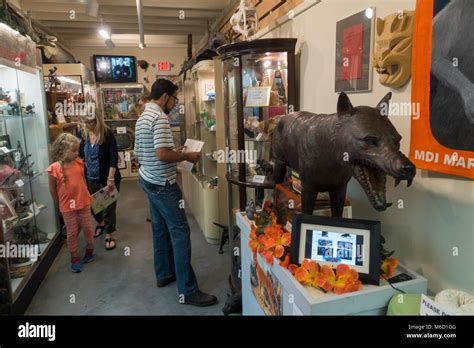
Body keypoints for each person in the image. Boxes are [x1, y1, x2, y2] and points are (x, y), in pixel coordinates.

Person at [135, 78, 217, 307]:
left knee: (160, 229)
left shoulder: (143, 117)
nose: (175, 102)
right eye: (174, 98)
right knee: (180, 232)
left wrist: (174, 153)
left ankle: (164, 273)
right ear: (164, 97)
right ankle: (188, 290)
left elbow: (140, 153)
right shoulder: (159, 117)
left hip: (147, 180)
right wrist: (186, 156)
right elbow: (161, 154)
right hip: (163, 184)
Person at [47, 133, 94, 273]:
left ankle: (90, 249)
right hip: (67, 206)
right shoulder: (54, 168)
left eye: (76, 150)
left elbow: (82, 181)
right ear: (62, 150)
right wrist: (59, 205)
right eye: (73, 150)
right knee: (72, 232)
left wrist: (87, 195)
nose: (76, 153)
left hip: (83, 202)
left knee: (87, 227)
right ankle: (74, 257)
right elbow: (52, 189)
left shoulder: (79, 162)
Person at [79, 111, 121, 251]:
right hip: (91, 177)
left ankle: (109, 234)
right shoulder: (84, 135)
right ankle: (101, 223)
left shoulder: (106, 133)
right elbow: (80, 155)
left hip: (107, 176)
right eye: (85, 122)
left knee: (108, 206)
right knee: (94, 205)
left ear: (97, 120)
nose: (88, 125)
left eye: (90, 122)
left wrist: (110, 178)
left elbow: (113, 157)